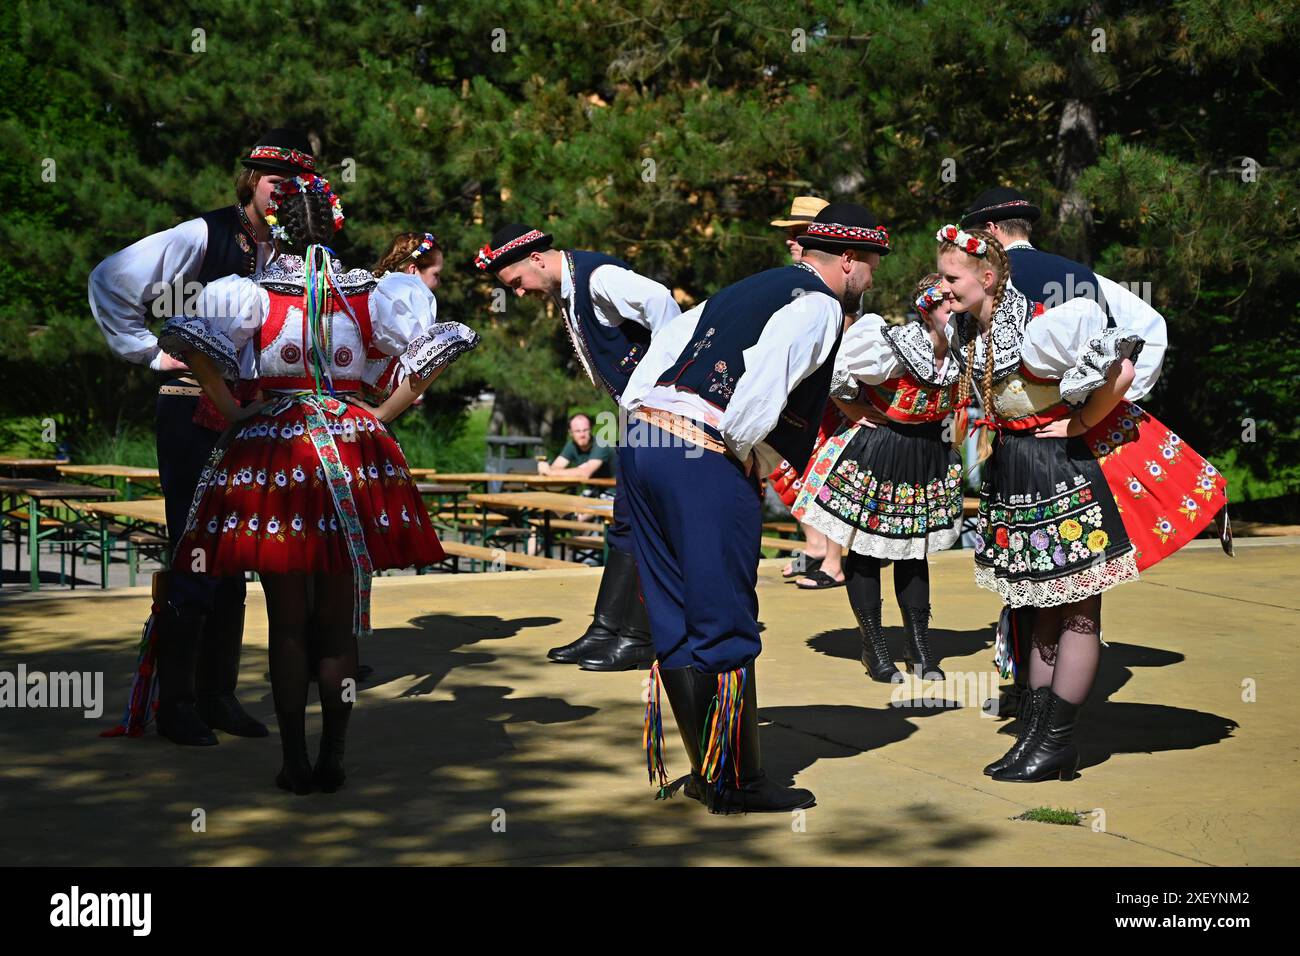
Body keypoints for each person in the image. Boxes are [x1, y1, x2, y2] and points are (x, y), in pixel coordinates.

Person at [159, 173, 479, 794]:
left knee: (287, 624)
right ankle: (334, 756)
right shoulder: (373, 293)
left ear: (280, 226)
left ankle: (294, 761)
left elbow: (188, 343)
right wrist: (378, 416)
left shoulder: (251, 292)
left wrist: (232, 410)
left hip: (276, 456)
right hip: (352, 453)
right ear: (336, 225)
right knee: (336, 624)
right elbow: (435, 352)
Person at [935, 224, 1230, 782]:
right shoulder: (973, 330)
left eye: (952, 280)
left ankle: (1058, 742)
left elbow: (1120, 364)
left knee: (1077, 613)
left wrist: (1080, 421)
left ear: (988, 277)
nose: (943, 289)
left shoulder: (1042, 328)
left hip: (1065, 474)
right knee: (1042, 612)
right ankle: (1037, 737)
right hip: (1020, 474)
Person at [620, 201, 888, 813]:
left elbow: (665, 345)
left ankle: (707, 772)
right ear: (848, 260)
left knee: (672, 610)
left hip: (643, 442)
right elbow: (766, 377)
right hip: (703, 452)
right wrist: (739, 448)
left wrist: (643, 417)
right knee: (724, 614)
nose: (872, 278)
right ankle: (737, 783)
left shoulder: (750, 286)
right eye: (872, 265)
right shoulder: (820, 304)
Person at [89, 128, 316, 746]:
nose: (284, 196)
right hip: (191, 408)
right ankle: (175, 702)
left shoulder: (298, 252)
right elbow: (111, 278)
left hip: (256, 414)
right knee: (196, 544)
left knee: (238, 551)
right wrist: (150, 353)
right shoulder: (203, 234)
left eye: (297, 187)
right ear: (251, 181)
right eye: (276, 183)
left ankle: (218, 695)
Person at [958, 187, 1170, 716]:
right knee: (1046, 582)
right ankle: (1037, 709)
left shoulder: (995, 287)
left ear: (988, 236)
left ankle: (1041, 715)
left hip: (1039, 452)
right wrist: (1093, 412)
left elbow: (1119, 358)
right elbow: (1148, 332)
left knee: (1049, 587)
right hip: (1051, 447)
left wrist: (1081, 418)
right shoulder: (1082, 277)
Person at [474, 222, 680, 672]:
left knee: (648, 523)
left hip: (658, 413)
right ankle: (607, 630)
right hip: (636, 416)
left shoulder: (599, 276)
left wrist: (662, 382)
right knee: (626, 522)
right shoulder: (569, 288)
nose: (520, 293)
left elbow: (662, 301)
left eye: (517, 283)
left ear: (535, 259)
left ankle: (640, 636)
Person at [794, 276, 968, 680]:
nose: (956, 312)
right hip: (881, 452)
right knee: (867, 552)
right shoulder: (891, 343)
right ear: (926, 309)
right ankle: (874, 647)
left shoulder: (964, 350)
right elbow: (836, 376)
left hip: (928, 457)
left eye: (959, 304)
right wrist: (851, 409)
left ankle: (919, 647)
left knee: (914, 554)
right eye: (948, 305)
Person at [539, 413, 614, 480]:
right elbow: (555, 467)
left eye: (585, 430)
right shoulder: (572, 445)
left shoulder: (601, 444)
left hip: (615, 491)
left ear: (590, 430)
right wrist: (547, 470)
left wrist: (550, 472)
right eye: (577, 431)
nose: (582, 435)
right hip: (594, 491)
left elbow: (585, 474)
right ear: (570, 433)